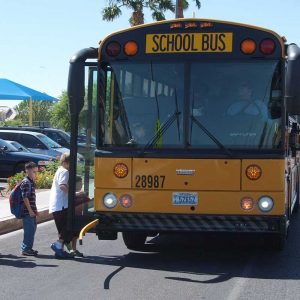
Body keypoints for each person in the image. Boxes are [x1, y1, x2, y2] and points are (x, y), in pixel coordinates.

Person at [49, 153, 73, 259]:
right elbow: (62, 186)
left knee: (61, 229)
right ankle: (57, 245)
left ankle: (59, 251)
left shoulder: (59, 170)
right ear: (66, 162)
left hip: (56, 205)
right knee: (67, 226)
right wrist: (72, 194)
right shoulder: (65, 172)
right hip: (62, 205)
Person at [64, 175, 91, 257]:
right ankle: (70, 250)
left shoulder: (82, 194)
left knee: (76, 235)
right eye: (80, 183)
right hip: (71, 216)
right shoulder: (71, 194)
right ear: (74, 184)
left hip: (79, 216)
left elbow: (88, 201)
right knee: (70, 234)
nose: (81, 185)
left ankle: (74, 249)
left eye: (82, 183)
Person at [20, 162, 39, 256]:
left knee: (32, 229)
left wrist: (34, 210)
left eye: (36, 171)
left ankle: (28, 248)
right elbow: (25, 198)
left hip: (31, 210)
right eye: (34, 171)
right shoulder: (26, 182)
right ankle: (26, 249)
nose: (35, 173)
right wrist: (31, 211)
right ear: (27, 171)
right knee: (29, 231)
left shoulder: (30, 181)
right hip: (27, 212)